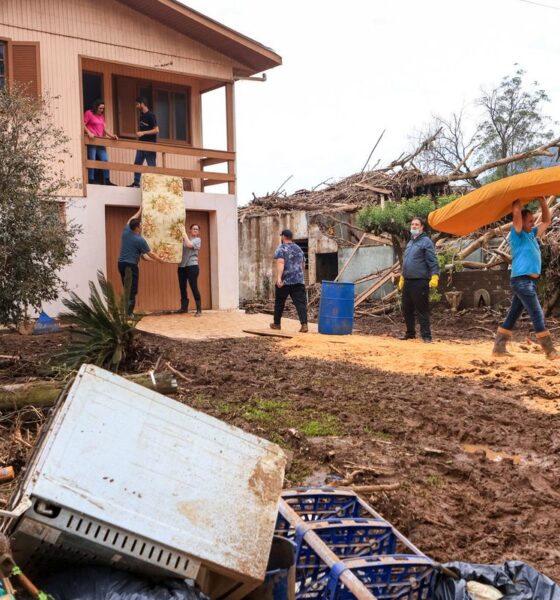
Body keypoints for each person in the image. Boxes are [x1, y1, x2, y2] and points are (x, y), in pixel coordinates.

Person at [493, 198, 557, 359]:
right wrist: (517, 198)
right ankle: (550, 350)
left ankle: (499, 348)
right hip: (522, 281)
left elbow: (547, 220)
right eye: (529, 221)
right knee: (536, 313)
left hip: (529, 282)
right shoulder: (518, 234)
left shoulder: (532, 235)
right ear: (521, 221)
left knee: (513, 314)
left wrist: (542, 200)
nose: (532, 223)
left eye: (532, 221)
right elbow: (516, 214)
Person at [397, 216, 440, 343]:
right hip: (408, 281)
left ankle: (426, 336)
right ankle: (410, 333)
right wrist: (402, 277)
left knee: (422, 309)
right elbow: (406, 262)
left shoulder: (426, 241)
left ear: (422, 227)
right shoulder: (410, 242)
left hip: (420, 281)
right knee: (407, 308)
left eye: (416, 224)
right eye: (412, 224)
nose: (414, 226)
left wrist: (435, 275)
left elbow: (432, 261)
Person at [117, 207, 164, 315]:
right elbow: (150, 253)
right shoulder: (140, 240)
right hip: (131, 266)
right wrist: (159, 260)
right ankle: (129, 314)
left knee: (127, 288)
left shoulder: (126, 231)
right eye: (141, 225)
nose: (142, 227)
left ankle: (126, 312)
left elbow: (131, 219)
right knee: (132, 290)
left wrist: (140, 210)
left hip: (121, 264)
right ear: (137, 228)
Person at [271, 229, 308, 333]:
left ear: (283, 237)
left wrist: (279, 278)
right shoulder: (299, 249)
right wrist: (300, 277)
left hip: (285, 282)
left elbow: (281, 263)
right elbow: (303, 265)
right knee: (300, 304)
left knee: (279, 302)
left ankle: (277, 324)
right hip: (298, 281)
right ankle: (304, 324)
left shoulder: (281, 249)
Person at [83, 99, 118, 185]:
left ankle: (107, 180)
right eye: (100, 108)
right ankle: (91, 179)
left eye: (103, 109)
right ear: (96, 107)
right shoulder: (88, 113)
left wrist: (112, 136)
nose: (102, 110)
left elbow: (104, 129)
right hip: (93, 141)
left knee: (105, 160)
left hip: (101, 141)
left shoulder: (102, 117)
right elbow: (82, 124)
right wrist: (89, 133)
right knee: (92, 159)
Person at [129, 97, 159, 188]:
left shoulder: (151, 115)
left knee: (151, 165)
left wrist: (143, 133)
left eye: (137, 104)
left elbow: (156, 130)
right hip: (141, 144)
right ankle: (136, 183)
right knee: (137, 163)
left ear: (142, 104)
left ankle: (154, 185)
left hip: (150, 144)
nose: (136, 106)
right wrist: (139, 134)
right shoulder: (141, 115)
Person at [177, 224, 202, 316]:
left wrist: (184, 234)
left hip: (192, 266)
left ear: (198, 232)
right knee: (182, 287)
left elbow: (189, 244)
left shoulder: (197, 240)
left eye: (197, 229)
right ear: (190, 230)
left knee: (194, 287)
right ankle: (184, 308)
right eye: (193, 228)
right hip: (181, 266)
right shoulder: (183, 239)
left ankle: (199, 310)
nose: (195, 230)